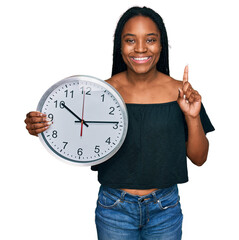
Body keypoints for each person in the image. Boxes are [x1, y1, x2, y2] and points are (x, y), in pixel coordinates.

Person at [24, 6, 215, 240]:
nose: (141, 48)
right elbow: (72, 126)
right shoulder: (99, 92)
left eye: (151, 39)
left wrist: (192, 116)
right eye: (130, 40)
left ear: (161, 44)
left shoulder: (182, 93)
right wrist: (41, 126)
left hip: (165, 209)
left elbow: (199, 158)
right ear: (120, 46)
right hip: (114, 208)